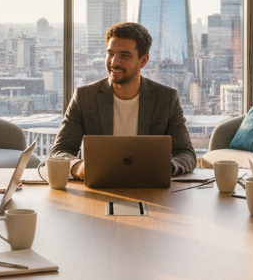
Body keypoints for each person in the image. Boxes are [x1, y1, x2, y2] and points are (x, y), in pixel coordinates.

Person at [49, 22, 196, 178]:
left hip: (150, 190)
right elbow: (59, 151)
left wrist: (165, 168)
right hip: (98, 189)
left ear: (143, 61)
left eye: (124, 56)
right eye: (111, 53)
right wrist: (78, 167)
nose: (114, 62)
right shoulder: (85, 97)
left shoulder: (166, 99)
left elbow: (186, 153)